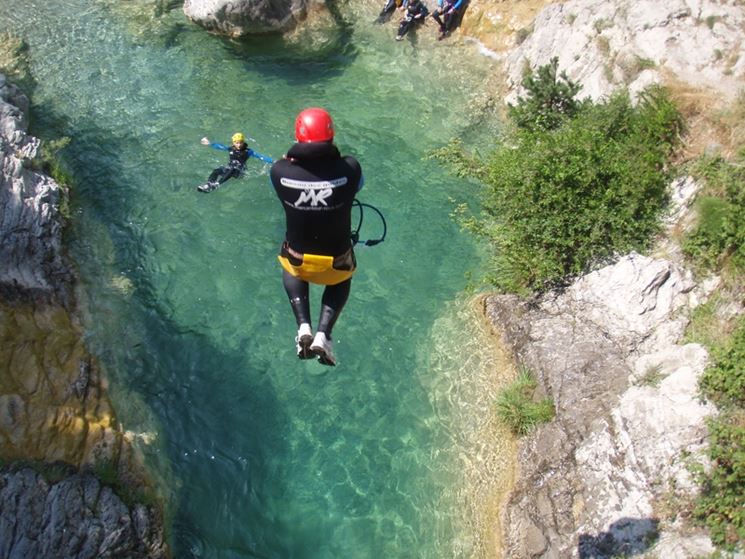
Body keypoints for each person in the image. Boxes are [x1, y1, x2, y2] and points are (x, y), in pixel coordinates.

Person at [269, 108, 363, 366]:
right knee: (342, 279)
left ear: (298, 136)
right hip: (337, 264)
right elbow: (359, 184)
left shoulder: (279, 172)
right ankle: (324, 334)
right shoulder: (351, 169)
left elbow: (278, 181)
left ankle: (303, 327)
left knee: (289, 267)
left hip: (298, 262)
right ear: (331, 136)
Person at [197, 132, 273, 192]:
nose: (239, 145)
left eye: (240, 142)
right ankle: (209, 184)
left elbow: (261, 157)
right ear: (233, 143)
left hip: (239, 172)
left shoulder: (248, 151)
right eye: (237, 142)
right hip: (230, 169)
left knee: (233, 168)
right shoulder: (231, 149)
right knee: (217, 170)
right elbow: (220, 147)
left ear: (243, 142)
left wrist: (273, 161)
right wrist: (209, 143)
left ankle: (217, 184)